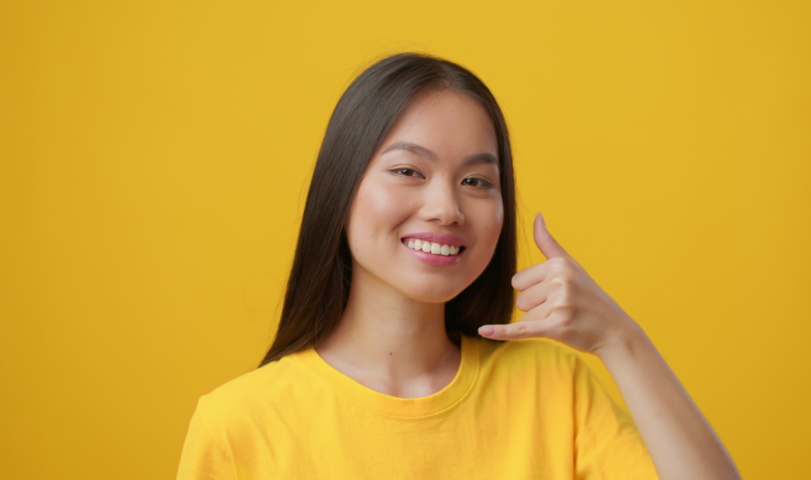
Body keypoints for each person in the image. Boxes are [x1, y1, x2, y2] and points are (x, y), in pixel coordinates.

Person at [176, 52, 741, 479]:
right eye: (408, 171)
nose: (446, 208)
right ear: (341, 187)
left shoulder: (554, 388)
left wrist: (620, 340)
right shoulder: (237, 426)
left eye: (476, 181)